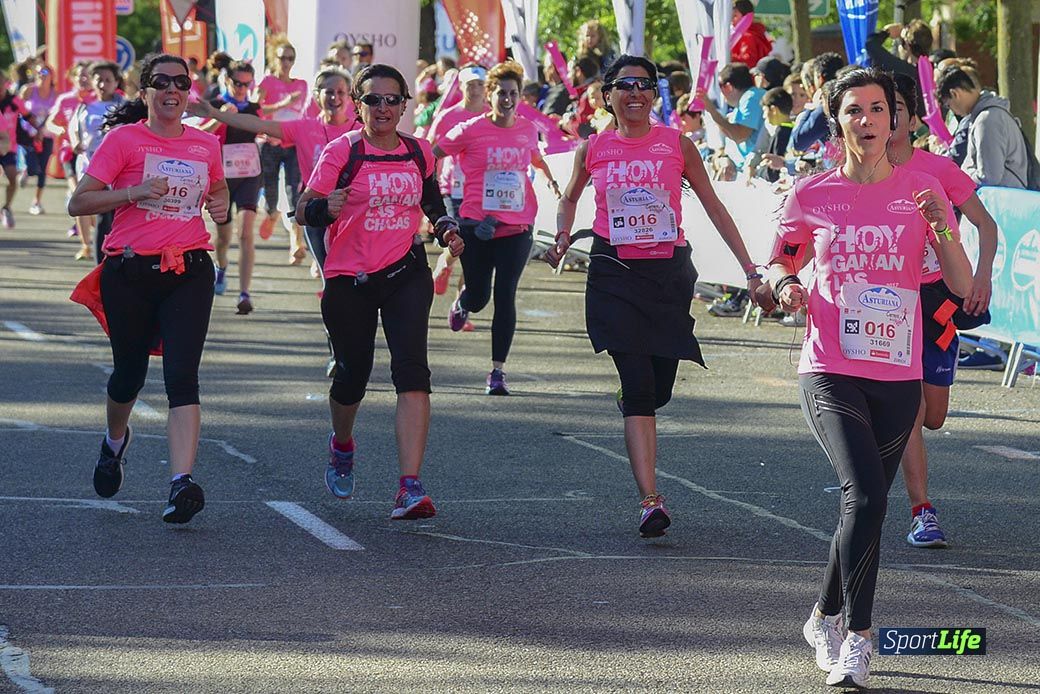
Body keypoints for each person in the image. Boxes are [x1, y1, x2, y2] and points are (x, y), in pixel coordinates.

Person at [765, 68, 972, 688]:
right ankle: (857, 638)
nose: (869, 120)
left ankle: (822, 616)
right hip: (829, 367)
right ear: (838, 122)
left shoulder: (922, 190)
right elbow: (779, 259)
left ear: (896, 119)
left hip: (896, 371)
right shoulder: (812, 194)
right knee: (868, 497)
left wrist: (940, 227)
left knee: (867, 507)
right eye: (855, 110)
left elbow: (960, 287)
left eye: (879, 109)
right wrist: (785, 284)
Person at [549, 55, 763, 539]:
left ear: (655, 94)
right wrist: (563, 235)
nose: (635, 93)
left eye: (645, 85)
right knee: (640, 386)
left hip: (667, 274)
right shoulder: (595, 148)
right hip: (613, 271)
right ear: (608, 96)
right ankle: (651, 500)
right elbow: (568, 195)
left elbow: (714, 206)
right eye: (624, 85)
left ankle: (635, 400)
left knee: (658, 387)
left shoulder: (677, 144)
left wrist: (750, 268)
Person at [295, 63, 464, 518]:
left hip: (405, 273)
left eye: (393, 100)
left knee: (412, 371)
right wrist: (323, 209)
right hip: (350, 279)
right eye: (373, 99)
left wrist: (445, 226)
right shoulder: (341, 151)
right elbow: (302, 209)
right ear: (358, 104)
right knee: (353, 374)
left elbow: (431, 199)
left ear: (406, 104)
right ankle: (343, 443)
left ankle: (409, 485)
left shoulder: (418, 151)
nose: (384, 108)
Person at [68, 53, 229, 524]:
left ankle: (181, 482)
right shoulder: (124, 140)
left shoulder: (204, 144)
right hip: (130, 272)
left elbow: (216, 190)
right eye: (161, 82)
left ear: (188, 91)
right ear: (145, 93)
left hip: (189, 269)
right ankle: (115, 441)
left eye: (180, 82)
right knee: (128, 376)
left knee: (182, 376)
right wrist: (133, 193)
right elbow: (79, 202)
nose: (171, 90)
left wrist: (219, 206)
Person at [886, 72, 998, 548]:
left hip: (939, 301)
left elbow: (986, 225)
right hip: (889, 302)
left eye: (892, 109)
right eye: (872, 109)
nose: (883, 120)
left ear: (913, 118)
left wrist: (983, 277)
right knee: (909, 412)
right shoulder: (859, 173)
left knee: (933, 416)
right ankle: (922, 512)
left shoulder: (938, 170)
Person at [432, 60, 561, 395]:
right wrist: (426, 193)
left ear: (519, 97)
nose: (507, 99)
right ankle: (464, 301)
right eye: (501, 93)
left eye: (513, 93)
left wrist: (550, 181)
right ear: (489, 95)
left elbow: (534, 156)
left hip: (516, 226)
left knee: (506, 295)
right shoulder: (470, 129)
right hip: (476, 225)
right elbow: (432, 153)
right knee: (479, 297)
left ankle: (497, 372)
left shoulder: (526, 129)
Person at [189, 66, 358, 278]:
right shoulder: (304, 128)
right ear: (317, 96)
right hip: (318, 211)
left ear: (350, 97)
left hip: (355, 214)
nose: (335, 97)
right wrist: (214, 114)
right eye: (329, 92)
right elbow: (256, 124)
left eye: (341, 92)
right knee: (331, 277)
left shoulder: (360, 131)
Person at [205, 61, 264, 313]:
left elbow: (263, 129)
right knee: (223, 238)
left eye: (246, 84)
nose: (242, 88)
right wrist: (221, 117)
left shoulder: (253, 107)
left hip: (249, 174)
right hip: (222, 178)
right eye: (237, 83)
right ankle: (221, 267)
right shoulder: (216, 103)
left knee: (245, 233)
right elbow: (201, 133)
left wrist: (267, 135)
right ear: (227, 80)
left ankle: (244, 293)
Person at [426, 65, 488, 299]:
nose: (475, 90)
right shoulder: (448, 116)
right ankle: (445, 263)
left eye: (480, 85)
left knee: (477, 250)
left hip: (484, 189)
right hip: (454, 187)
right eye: (470, 85)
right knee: (461, 242)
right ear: (461, 87)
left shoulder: (491, 115)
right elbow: (429, 149)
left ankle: (462, 304)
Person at [256, 40, 309, 261]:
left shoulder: (302, 85)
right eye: (282, 58)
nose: (286, 63)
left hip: (293, 144)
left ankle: (296, 242)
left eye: (290, 58)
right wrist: (283, 104)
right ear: (274, 59)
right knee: (270, 190)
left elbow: (302, 116)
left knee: (294, 191)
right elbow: (255, 108)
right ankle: (271, 213)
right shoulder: (267, 81)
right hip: (270, 143)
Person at [68, 61, 126, 260]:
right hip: (90, 165)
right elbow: (73, 128)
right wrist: (75, 141)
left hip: (118, 168)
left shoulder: (123, 106)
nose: (103, 84)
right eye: (99, 79)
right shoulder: (84, 106)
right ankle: (100, 261)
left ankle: (115, 255)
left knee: (115, 213)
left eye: (108, 80)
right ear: (92, 81)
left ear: (116, 82)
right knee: (101, 213)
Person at [936, 67, 1030, 189]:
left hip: (1002, 200)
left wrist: (961, 177)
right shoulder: (986, 116)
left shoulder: (987, 120)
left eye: (949, 105)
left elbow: (989, 177)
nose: (953, 111)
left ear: (955, 94)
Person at [45, 61, 94, 240]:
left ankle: (88, 225)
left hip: (93, 153)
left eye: (87, 75)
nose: (83, 79)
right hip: (70, 152)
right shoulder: (65, 99)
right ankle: (85, 244)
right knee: (77, 193)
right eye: (79, 75)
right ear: (72, 78)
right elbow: (50, 122)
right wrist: (58, 130)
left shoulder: (97, 100)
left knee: (93, 197)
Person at [695, 62, 766, 173]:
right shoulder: (745, 99)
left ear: (728, 87)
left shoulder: (751, 98)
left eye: (720, 87)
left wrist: (712, 110)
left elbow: (739, 135)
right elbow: (731, 133)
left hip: (752, 170)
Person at [19, 64, 57, 216]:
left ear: (51, 76)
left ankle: (36, 201)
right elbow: (18, 108)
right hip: (28, 134)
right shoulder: (28, 90)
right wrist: (33, 127)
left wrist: (42, 129)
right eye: (39, 72)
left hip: (46, 135)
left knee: (42, 169)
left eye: (46, 71)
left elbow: (54, 114)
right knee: (33, 166)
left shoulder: (55, 94)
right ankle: (26, 170)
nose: (42, 74)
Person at [791, 52, 845, 153]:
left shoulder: (826, 103)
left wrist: (812, 108)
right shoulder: (846, 95)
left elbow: (798, 142)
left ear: (820, 78)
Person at [0, 74, 33, 229]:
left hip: (9, 146)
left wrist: (39, 130)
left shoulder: (14, 101)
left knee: (12, 176)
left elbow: (28, 116)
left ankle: (6, 207)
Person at [730, 0, 772, 69]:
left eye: (735, 16)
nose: (732, 20)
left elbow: (748, 62)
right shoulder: (756, 31)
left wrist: (729, 56)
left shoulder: (748, 36)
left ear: (745, 18)